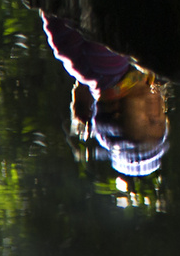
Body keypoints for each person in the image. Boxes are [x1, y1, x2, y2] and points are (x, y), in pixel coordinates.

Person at [41, 12, 170, 178]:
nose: (157, 111)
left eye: (151, 120)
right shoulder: (89, 73)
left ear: (115, 112)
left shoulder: (112, 61)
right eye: (161, 118)